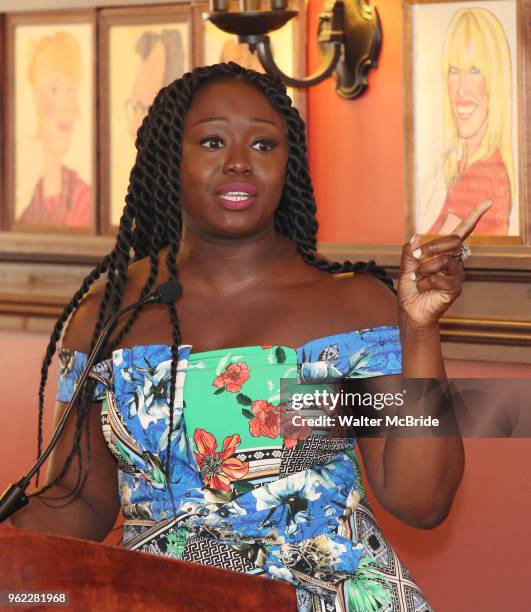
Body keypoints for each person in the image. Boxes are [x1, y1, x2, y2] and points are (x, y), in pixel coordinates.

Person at [8, 63, 488, 610]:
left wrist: (420, 330)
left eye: (264, 145)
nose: (239, 162)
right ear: (170, 159)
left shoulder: (348, 308)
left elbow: (420, 501)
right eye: (212, 141)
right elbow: (79, 500)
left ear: (288, 165)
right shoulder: (109, 314)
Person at [427, 8, 514, 236]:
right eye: (454, 70)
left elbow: (446, 255)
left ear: (495, 80)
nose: (461, 88)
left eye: (474, 70)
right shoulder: (465, 169)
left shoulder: (482, 175)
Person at [17, 31, 91, 228]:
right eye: (54, 90)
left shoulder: (83, 199)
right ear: (34, 99)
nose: (67, 105)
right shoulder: (32, 201)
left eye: (71, 90)